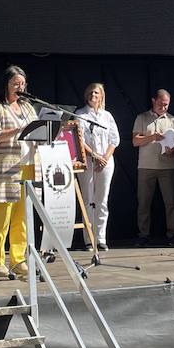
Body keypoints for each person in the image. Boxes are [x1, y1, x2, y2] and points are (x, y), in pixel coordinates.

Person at [0, 65, 37, 279]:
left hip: (27, 165)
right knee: (2, 216)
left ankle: (18, 259)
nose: (20, 87)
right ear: (6, 84)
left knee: (22, 217)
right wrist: (19, 130)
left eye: (23, 84)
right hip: (6, 168)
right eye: (16, 83)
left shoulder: (28, 107)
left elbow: (36, 129)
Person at [133, 89, 174, 246]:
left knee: (171, 203)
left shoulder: (173, 120)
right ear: (153, 101)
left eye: (166, 104)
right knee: (144, 202)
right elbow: (135, 141)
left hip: (168, 167)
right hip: (146, 166)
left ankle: (172, 234)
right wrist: (152, 137)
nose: (164, 107)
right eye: (161, 104)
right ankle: (143, 235)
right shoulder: (142, 118)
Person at [75, 82, 119, 251]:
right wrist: (94, 156)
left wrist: (105, 158)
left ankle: (101, 238)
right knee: (88, 200)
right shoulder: (80, 114)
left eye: (96, 93)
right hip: (88, 161)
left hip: (105, 163)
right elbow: (79, 139)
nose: (93, 95)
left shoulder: (107, 116)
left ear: (101, 96)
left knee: (102, 201)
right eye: (91, 93)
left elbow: (114, 139)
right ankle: (89, 239)